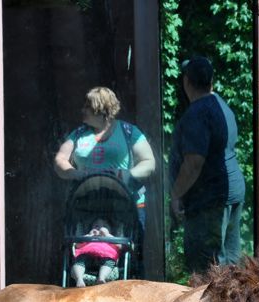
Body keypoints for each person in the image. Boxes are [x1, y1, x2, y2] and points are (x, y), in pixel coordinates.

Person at [169, 56, 246, 273]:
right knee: (230, 264)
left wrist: (176, 194)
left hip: (210, 198)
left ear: (186, 82)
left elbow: (194, 162)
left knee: (207, 268)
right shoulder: (222, 106)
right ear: (211, 81)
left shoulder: (197, 113)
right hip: (231, 192)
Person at [53, 86, 155, 224]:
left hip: (123, 204)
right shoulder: (78, 134)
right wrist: (76, 174)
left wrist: (127, 174)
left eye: (88, 106)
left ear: (101, 109)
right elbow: (60, 160)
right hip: (86, 204)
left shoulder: (129, 131)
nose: (83, 110)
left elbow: (149, 162)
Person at [71, 218, 121, 287]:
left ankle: (101, 278)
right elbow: (77, 245)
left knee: (109, 262)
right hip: (86, 256)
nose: (100, 229)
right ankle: (79, 279)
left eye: (104, 226)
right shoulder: (89, 237)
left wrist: (107, 235)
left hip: (106, 257)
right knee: (79, 262)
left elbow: (119, 246)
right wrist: (89, 235)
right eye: (97, 226)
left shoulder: (111, 238)